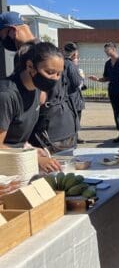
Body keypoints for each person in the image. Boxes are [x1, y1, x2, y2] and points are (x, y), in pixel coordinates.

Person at [0, 42, 63, 173]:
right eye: (50, 72)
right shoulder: (6, 95)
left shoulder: (37, 90)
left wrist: (30, 148)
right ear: (30, 66)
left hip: (17, 164)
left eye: (59, 74)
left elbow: (15, 138)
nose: (55, 79)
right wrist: (32, 157)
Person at [88, 42, 119, 142]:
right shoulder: (107, 63)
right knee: (116, 113)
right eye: (105, 51)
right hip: (112, 90)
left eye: (107, 50)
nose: (106, 53)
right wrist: (98, 79)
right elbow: (107, 77)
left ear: (113, 49)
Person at [63, 42, 86, 143]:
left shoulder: (61, 63)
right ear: (74, 54)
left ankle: (74, 137)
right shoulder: (71, 65)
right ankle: (73, 138)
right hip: (73, 98)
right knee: (75, 119)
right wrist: (81, 77)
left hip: (65, 96)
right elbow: (76, 82)